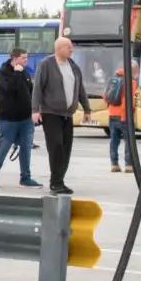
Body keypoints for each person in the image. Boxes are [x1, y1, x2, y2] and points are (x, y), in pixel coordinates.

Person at [33, 36, 91, 195]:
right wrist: (35, 110)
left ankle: (60, 180)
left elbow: (80, 89)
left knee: (66, 148)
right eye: (68, 47)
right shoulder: (46, 64)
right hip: (51, 113)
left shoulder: (73, 65)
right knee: (56, 146)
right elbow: (37, 88)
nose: (71, 49)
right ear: (58, 49)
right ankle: (55, 182)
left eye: (71, 47)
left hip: (67, 114)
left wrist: (87, 109)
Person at [0, 47, 40, 189]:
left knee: (26, 148)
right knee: (4, 147)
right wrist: (16, 72)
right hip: (8, 118)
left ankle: (25, 178)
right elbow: (11, 89)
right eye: (24, 58)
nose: (26, 60)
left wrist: (36, 110)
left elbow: (31, 92)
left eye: (26, 57)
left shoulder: (26, 73)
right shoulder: (4, 72)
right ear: (15, 59)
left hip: (26, 119)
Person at [104, 59, 139, 173]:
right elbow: (128, 100)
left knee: (114, 140)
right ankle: (128, 165)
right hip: (124, 116)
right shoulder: (131, 82)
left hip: (112, 115)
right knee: (129, 141)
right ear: (133, 70)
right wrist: (125, 115)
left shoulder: (113, 78)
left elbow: (105, 97)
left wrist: (111, 110)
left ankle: (114, 164)